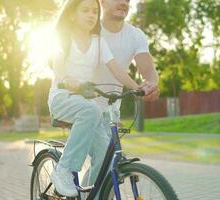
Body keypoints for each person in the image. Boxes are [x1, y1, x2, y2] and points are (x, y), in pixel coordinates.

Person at [47, 0, 148, 197]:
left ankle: (89, 196)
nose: (92, 15)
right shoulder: (64, 38)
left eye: (95, 11)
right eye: (85, 10)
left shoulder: (99, 42)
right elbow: (57, 62)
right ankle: (64, 169)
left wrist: (137, 88)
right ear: (72, 15)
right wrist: (67, 78)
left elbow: (116, 69)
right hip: (62, 97)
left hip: (85, 103)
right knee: (92, 110)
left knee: (105, 155)